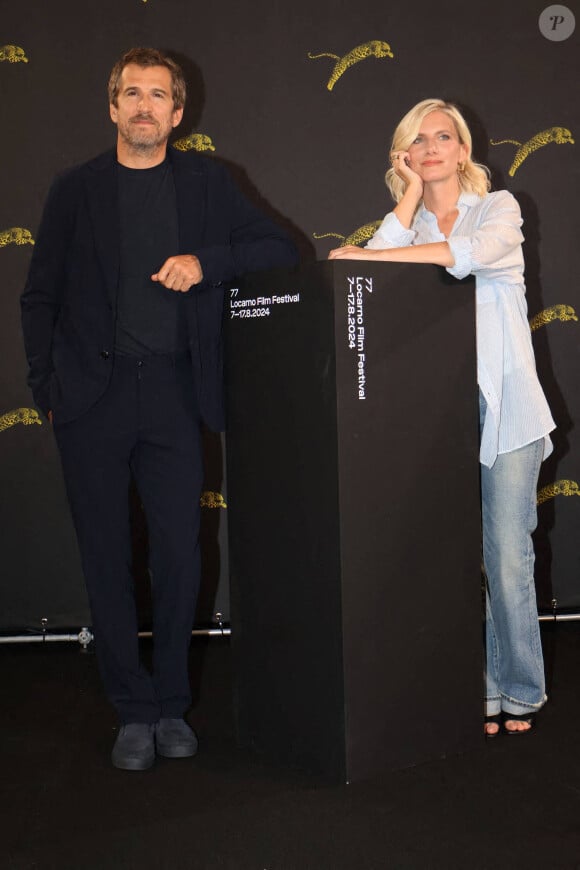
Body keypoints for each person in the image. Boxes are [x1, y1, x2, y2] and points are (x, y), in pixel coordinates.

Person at [21, 47, 297, 770]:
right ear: (112, 107)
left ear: (179, 112)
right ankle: (131, 708)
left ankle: (171, 702)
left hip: (176, 396)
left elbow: (276, 246)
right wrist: (48, 389)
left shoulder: (208, 182)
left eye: (159, 96)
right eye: (131, 94)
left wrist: (208, 262)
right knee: (107, 559)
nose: (145, 106)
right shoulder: (73, 189)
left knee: (179, 556)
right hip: (90, 403)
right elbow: (39, 295)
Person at [328, 98, 555, 738]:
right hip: (434, 418)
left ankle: (521, 688)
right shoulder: (410, 222)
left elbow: (459, 255)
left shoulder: (498, 211)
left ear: (463, 150)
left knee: (507, 558)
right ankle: (475, 685)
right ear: (405, 153)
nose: (431, 148)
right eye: (417, 140)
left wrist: (374, 255)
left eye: (443, 137)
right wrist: (403, 199)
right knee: (451, 560)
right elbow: (371, 280)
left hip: (506, 411)